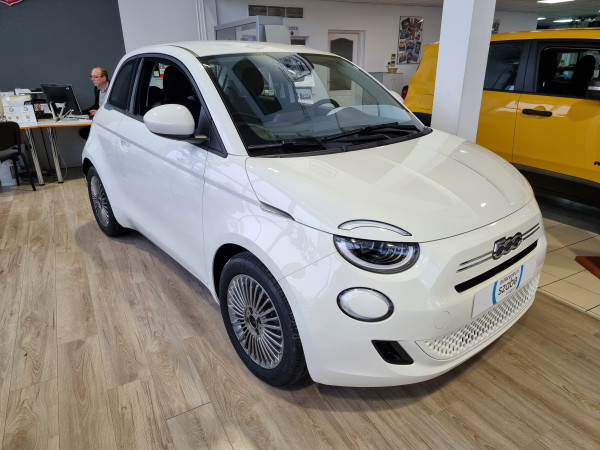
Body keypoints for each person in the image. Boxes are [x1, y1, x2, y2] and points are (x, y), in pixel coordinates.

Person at [80, 67, 109, 139]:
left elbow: (115, 109)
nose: (92, 79)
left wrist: (98, 112)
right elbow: (97, 105)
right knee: (84, 132)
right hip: (101, 119)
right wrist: (81, 112)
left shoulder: (113, 89)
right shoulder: (96, 88)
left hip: (110, 121)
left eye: (95, 77)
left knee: (86, 133)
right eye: (91, 77)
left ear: (104, 78)